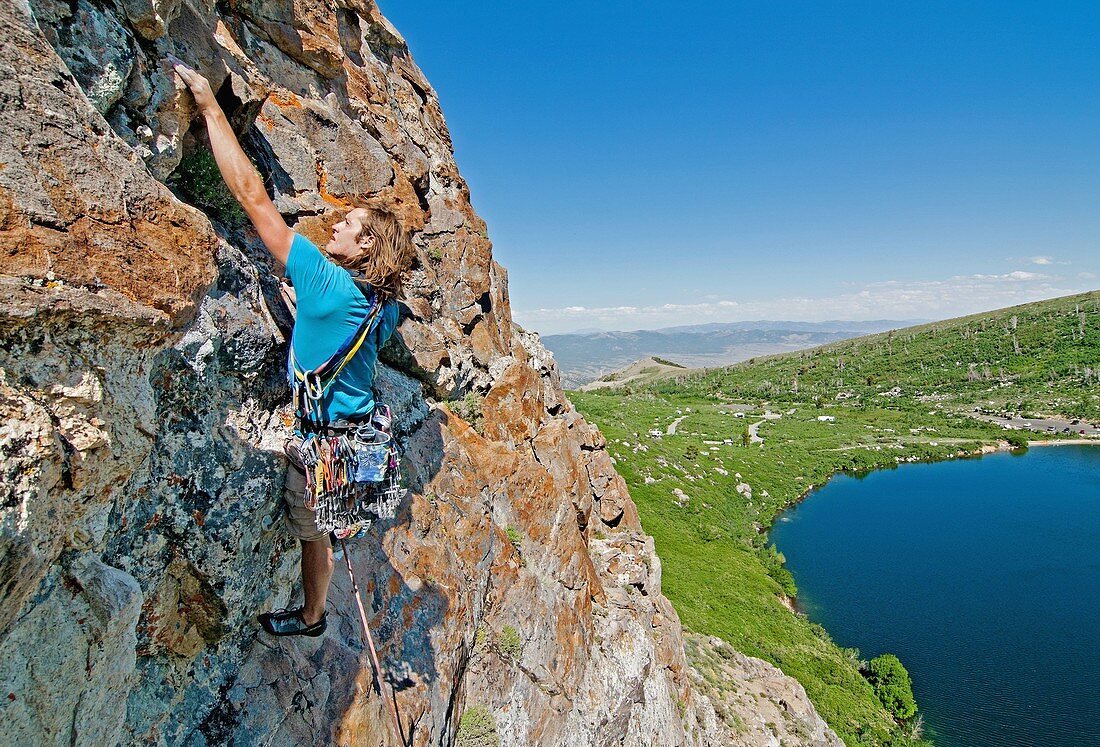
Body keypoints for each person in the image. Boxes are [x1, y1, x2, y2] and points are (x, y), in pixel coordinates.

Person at [174, 61, 415, 636]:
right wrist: (307, 303)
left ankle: (311, 618)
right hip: (358, 430)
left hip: (324, 441)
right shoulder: (379, 299)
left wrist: (211, 108)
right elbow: (358, 329)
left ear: (366, 244)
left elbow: (253, 196)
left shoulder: (327, 282)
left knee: (313, 528)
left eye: (348, 225)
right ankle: (319, 587)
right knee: (327, 527)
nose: (333, 227)